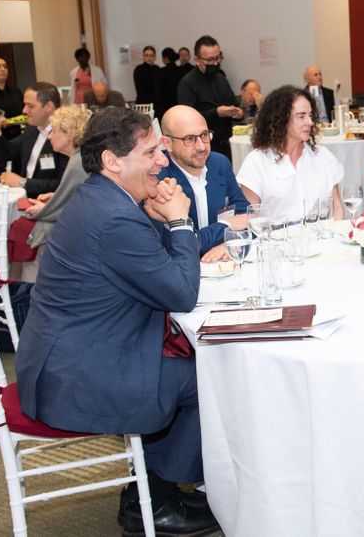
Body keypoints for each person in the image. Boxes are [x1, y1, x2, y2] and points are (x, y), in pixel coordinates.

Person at [16, 107, 218, 536]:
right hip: (77, 374)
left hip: (74, 351)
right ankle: (156, 500)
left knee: (193, 366)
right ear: (112, 161)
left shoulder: (102, 197)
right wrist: (181, 221)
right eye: (151, 153)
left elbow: (149, 256)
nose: (163, 162)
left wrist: (173, 228)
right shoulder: (113, 216)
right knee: (212, 377)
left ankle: (150, 484)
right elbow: (181, 293)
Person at [237, 85, 344, 223]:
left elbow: (337, 208)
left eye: (311, 116)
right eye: (301, 116)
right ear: (281, 119)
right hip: (277, 241)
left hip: (322, 238)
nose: (310, 122)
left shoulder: (322, 156)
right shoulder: (257, 162)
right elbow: (251, 219)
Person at [159, 105, 249, 260]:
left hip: (222, 264)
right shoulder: (159, 178)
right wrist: (228, 225)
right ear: (168, 144)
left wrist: (230, 243)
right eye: (190, 139)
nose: (201, 147)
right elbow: (187, 243)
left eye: (204, 135)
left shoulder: (219, 164)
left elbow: (248, 217)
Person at [0, 81, 68, 197]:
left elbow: (63, 185)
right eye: (25, 105)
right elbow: (6, 156)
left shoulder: (65, 136)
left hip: (47, 206)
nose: (24, 110)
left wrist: (22, 182)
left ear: (49, 107)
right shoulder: (31, 130)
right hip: (24, 200)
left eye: (30, 106)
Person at [25, 106, 92, 248]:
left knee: (22, 227)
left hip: (82, 231)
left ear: (71, 134)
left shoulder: (77, 163)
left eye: (54, 131)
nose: (49, 136)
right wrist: (56, 196)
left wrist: (43, 210)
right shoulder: (79, 157)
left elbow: (78, 208)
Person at [176, 35, 243, 160]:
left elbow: (233, 103)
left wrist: (237, 113)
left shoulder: (221, 78)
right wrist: (216, 113)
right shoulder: (188, 83)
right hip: (202, 148)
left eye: (218, 58)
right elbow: (187, 120)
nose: (215, 63)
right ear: (197, 60)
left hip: (225, 143)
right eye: (210, 60)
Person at [155, 47, 184, 120]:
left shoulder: (160, 72)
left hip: (164, 107)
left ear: (165, 58)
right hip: (178, 106)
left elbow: (157, 91)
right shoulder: (181, 70)